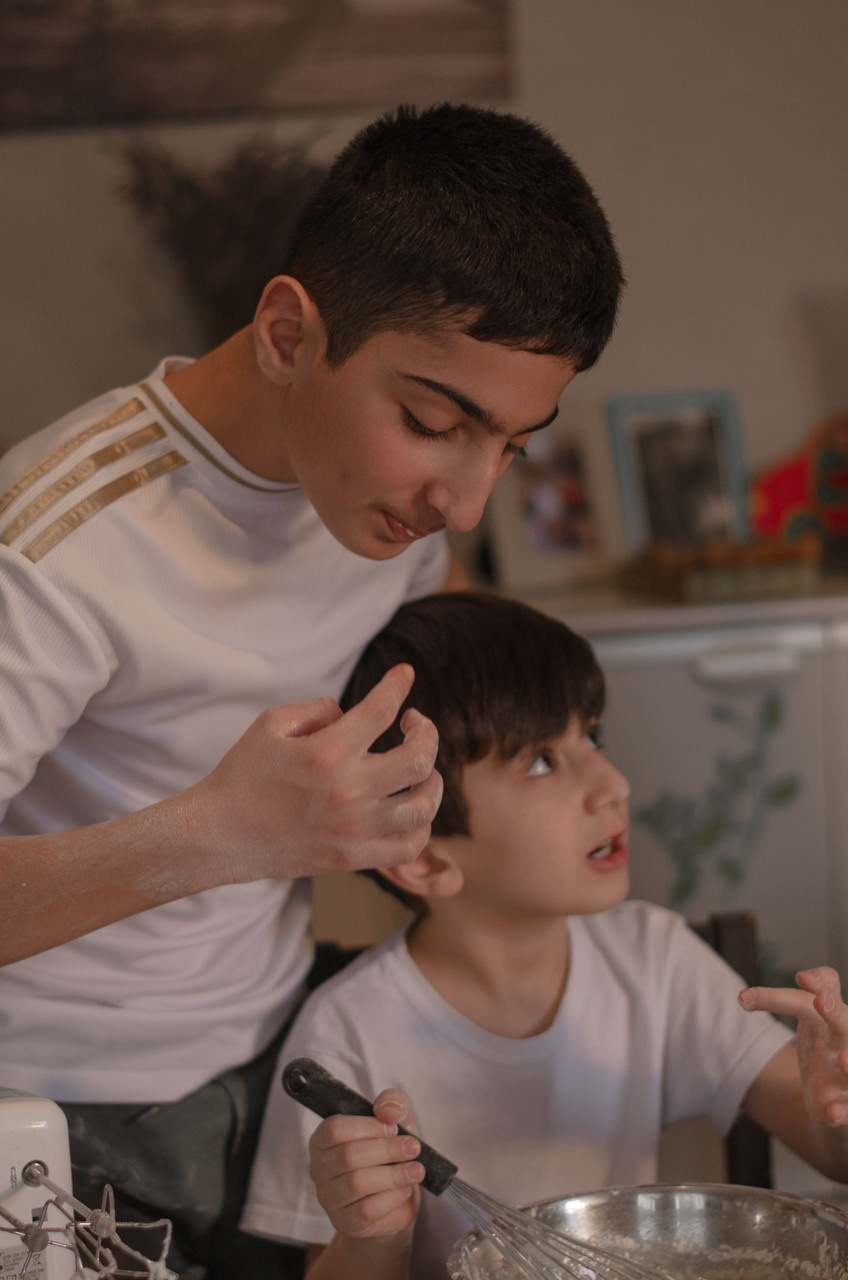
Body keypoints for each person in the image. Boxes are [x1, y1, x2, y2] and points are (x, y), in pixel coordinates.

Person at [0, 104, 623, 1276]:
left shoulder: (385, 512)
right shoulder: (55, 546)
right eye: (432, 421)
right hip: (56, 1120)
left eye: (512, 443)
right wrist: (218, 833)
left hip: (286, 1061)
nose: (467, 500)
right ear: (288, 332)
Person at [242, 590, 848, 1280]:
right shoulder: (346, 1035)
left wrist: (838, 1103)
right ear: (426, 856)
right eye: (540, 762)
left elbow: (831, 1150)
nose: (613, 784)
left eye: (593, 737)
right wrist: (372, 1238)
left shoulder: (654, 959)